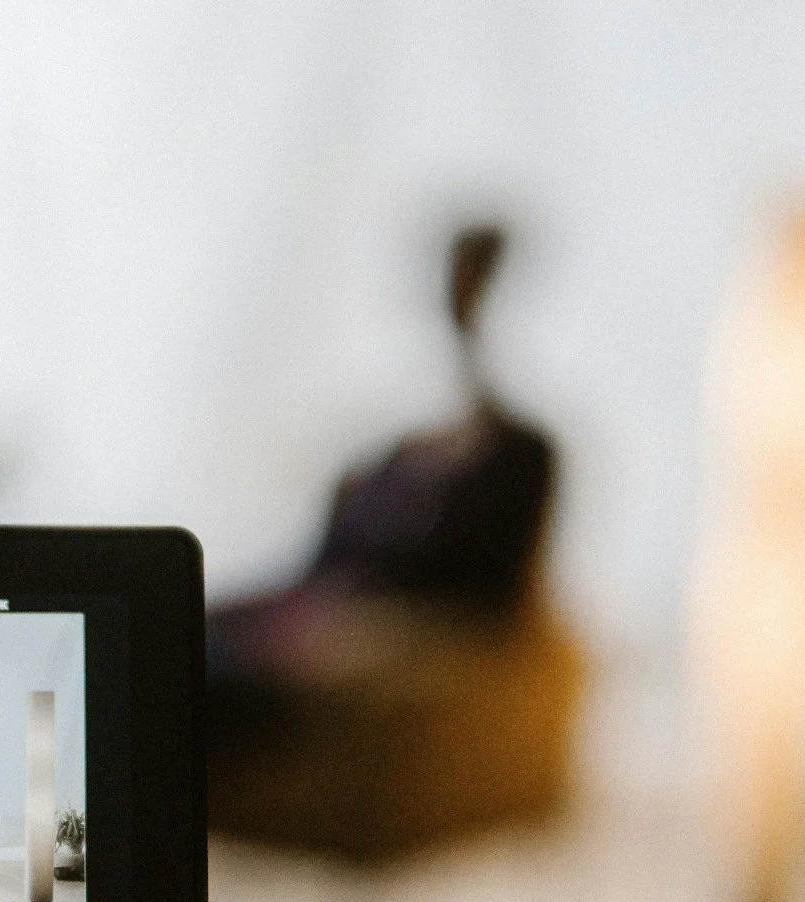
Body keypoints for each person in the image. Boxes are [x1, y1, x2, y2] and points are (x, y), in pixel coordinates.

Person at [206, 224, 558, 761]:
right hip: (322, 611)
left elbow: (484, 583)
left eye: (469, 277)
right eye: (452, 275)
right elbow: (318, 560)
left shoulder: (519, 455)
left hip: (372, 627)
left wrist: (341, 616)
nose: (455, 294)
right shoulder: (401, 452)